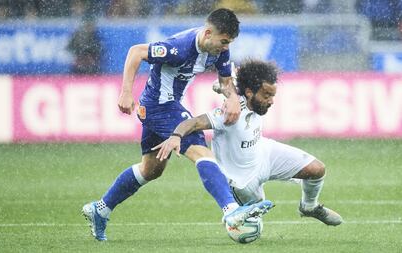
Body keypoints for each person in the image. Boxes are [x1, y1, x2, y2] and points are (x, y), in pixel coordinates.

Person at [82, 8, 273, 241]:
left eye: (229, 43)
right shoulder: (179, 48)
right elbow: (136, 52)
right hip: (160, 107)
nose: (225, 47)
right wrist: (125, 92)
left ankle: (100, 209)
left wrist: (232, 97)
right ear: (208, 33)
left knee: (151, 169)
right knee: (201, 152)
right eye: (223, 42)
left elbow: (224, 81)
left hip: (162, 108)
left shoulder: (220, 49)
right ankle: (231, 211)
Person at [154, 59, 343, 226]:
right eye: (266, 95)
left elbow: (227, 82)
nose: (271, 101)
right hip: (242, 181)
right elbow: (194, 122)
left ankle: (309, 207)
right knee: (250, 230)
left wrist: (221, 86)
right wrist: (176, 136)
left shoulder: (240, 91)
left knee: (317, 169)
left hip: (264, 153)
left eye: (272, 95)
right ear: (250, 92)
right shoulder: (231, 112)